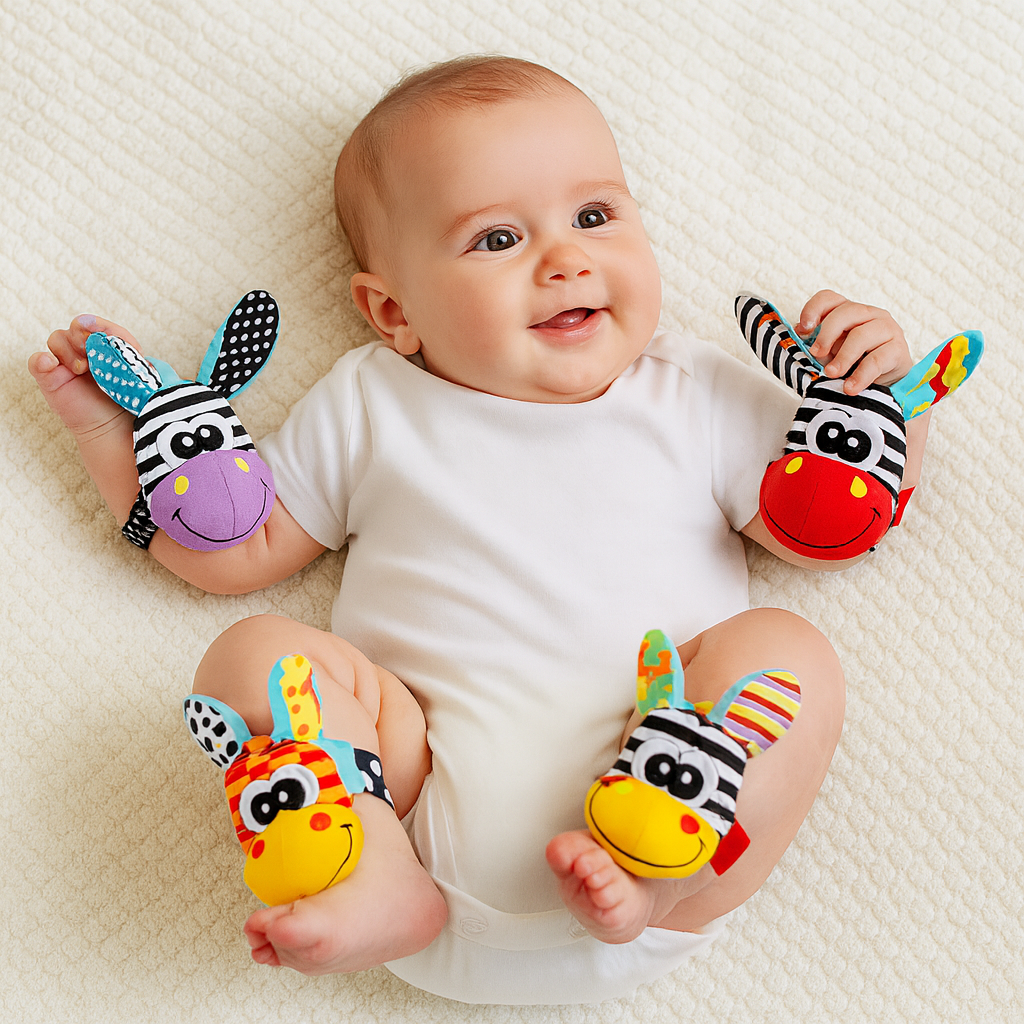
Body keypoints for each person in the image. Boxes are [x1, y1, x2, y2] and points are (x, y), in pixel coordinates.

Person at [29, 55, 930, 1005]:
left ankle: (671, 868)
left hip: (663, 796)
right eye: (497, 238)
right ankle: (365, 871)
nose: (565, 259)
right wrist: (104, 432)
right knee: (253, 658)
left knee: (789, 657)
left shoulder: (693, 388)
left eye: (595, 216)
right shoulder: (372, 404)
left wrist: (874, 392)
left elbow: (831, 523)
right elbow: (235, 551)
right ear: (393, 311)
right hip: (412, 811)